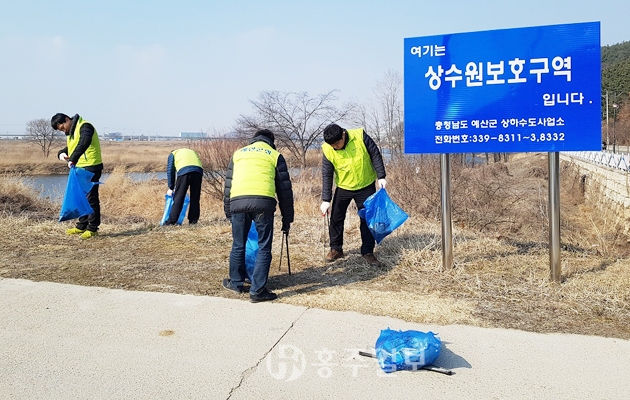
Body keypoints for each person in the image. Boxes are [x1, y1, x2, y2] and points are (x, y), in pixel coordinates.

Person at [223, 129, 294, 303]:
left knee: (238, 245)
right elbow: (284, 191)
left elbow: (228, 185)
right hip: (263, 203)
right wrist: (287, 218)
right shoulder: (275, 155)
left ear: (253, 140)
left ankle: (236, 283)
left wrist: (228, 210)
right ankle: (257, 290)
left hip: (238, 202)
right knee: (264, 247)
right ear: (271, 141)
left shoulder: (238, 154)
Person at [320, 123, 387, 266]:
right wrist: (326, 199)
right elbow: (327, 174)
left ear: (343, 135)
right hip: (343, 187)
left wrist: (381, 176)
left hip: (365, 185)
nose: (335, 147)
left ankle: (368, 252)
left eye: (336, 144)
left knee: (367, 219)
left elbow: (375, 154)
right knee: (336, 217)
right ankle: (336, 249)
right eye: (332, 145)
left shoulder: (360, 136)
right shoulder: (327, 148)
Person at [52, 113, 103, 240]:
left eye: (62, 127)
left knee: (91, 198)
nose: (63, 130)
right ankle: (82, 225)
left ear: (67, 119)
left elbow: (84, 143)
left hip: (91, 166)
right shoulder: (72, 132)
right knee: (80, 198)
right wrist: (61, 154)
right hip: (79, 168)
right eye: (60, 130)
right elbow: (72, 147)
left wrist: (73, 159)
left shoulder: (85, 126)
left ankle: (92, 228)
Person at [165, 148, 203, 225]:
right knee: (195, 197)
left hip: (184, 172)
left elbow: (170, 171)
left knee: (179, 197)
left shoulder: (173, 154)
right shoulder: (192, 151)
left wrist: (171, 187)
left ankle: (171, 221)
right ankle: (193, 221)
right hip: (198, 171)